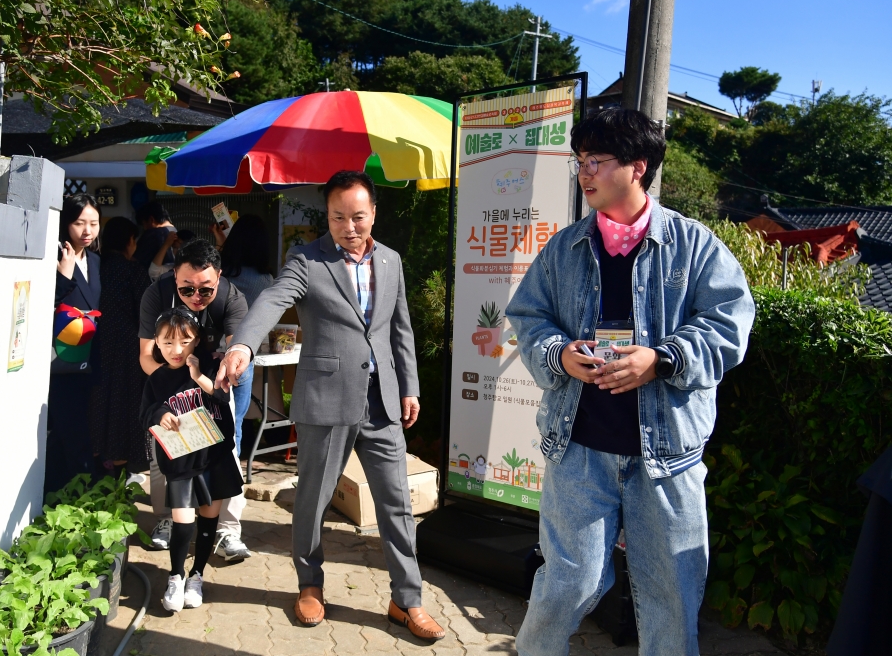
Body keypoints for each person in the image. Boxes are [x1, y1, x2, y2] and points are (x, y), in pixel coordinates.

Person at [505, 108, 755, 656]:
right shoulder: (564, 247)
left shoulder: (695, 246)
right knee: (567, 585)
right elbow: (527, 316)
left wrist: (662, 359)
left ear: (638, 166)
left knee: (671, 599)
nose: (584, 172)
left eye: (596, 160)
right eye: (579, 161)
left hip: (669, 457)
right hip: (579, 450)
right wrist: (557, 354)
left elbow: (730, 325)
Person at [216, 171, 446, 641]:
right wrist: (243, 346)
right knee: (312, 502)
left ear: (374, 213)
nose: (349, 226)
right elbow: (273, 301)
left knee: (397, 504)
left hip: (381, 402)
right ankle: (310, 585)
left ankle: (407, 600)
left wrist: (411, 388)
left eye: (358, 216)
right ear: (328, 216)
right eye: (339, 216)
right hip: (325, 400)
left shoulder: (392, 261)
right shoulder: (306, 259)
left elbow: (399, 330)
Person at [137, 238, 252, 561]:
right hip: (169, 375)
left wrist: (214, 381)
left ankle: (227, 529)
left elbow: (236, 350)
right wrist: (170, 385)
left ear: (219, 277)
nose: (197, 297)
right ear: (175, 276)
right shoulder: (155, 295)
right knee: (166, 445)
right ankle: (167, 519)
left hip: (216, 380)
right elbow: (146, 355)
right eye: (188, 289)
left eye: (206, 289)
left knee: (227, 448)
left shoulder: (232, 299)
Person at [140, 308, 242, 612]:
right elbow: (146, 412)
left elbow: (223, 398)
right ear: (156, 343)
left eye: (184, 341)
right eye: (167, 343)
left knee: (209, 521)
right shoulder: (156, 379)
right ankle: (175, 576)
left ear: (196, 340)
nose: (176, 350)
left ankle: (197, 575)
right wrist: (161, 415)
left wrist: (198, 377)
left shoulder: (211, 366)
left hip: (214, 458)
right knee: (183, 522)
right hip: (181, 461)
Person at [45, 193, 102, 495]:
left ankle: (55, 493)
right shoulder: (55, 256)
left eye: (93, 223)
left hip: (90, 357)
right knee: (71, 433)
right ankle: (83, 497)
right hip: (63, 361)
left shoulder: (95, 260)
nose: (87, 230)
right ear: (66, 223)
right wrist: (63, 275)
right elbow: (44, 304)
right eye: (80, 222)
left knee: (66, 436)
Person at [88, 216, 151, 474]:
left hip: (96, 341)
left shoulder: (95, 266)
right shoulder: (132, 270)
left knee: (99, 400)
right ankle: (121, 465)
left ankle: (96, 458)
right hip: (128, 345)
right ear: (129, 241)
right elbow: (146, 309)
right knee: (125, 402)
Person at [219, 214, 275, 451]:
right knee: (235, 423)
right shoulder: (265, 280)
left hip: (210, 353)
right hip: (243, 355)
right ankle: (233, 483)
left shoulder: (219, 275)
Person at [134, 200, 178, 276]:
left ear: (151, 220)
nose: (144, 228)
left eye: (144, 224)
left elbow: (136, 260)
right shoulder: (176, 232)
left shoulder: (153, 234)